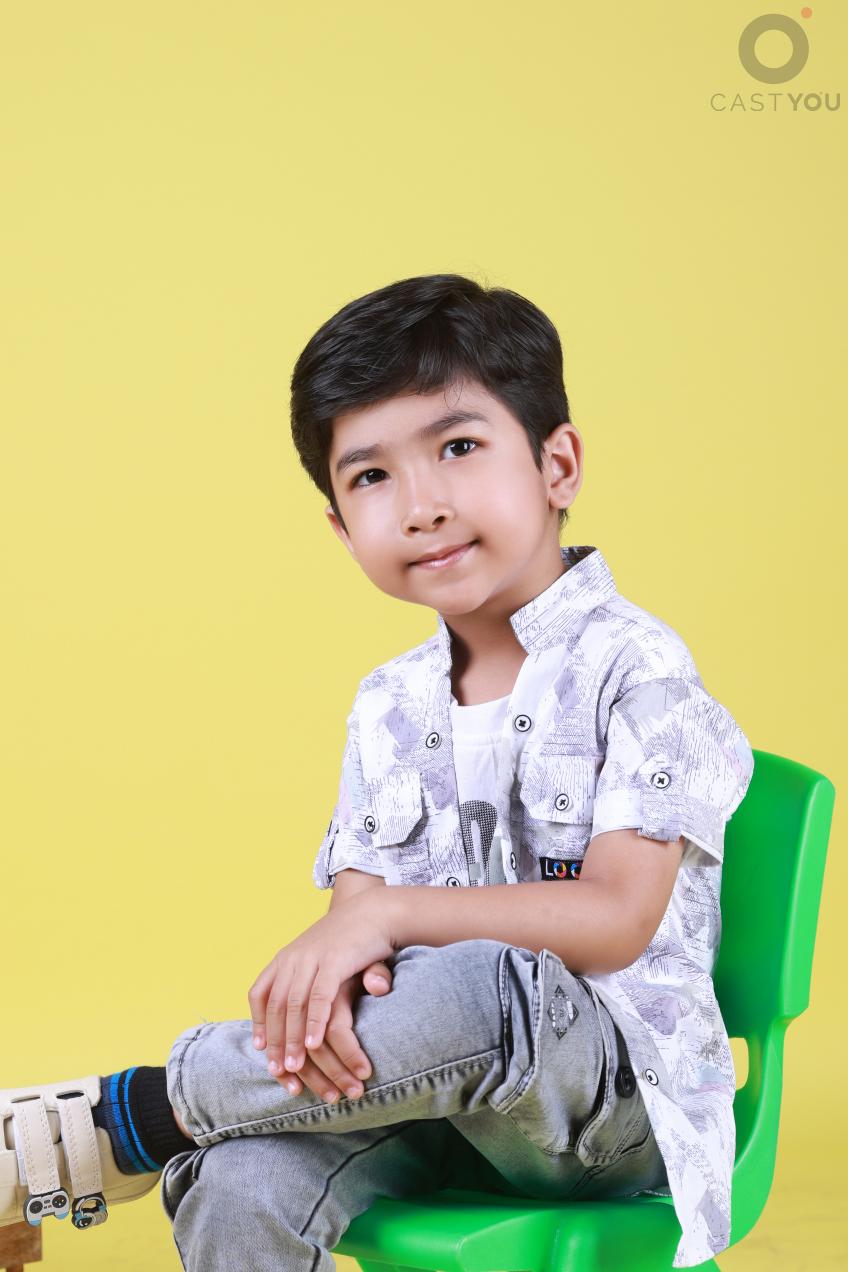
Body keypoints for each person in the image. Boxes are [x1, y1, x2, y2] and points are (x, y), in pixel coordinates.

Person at [0, 274, 755, 1270]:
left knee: (487, 983)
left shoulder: (636, 666)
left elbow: (616, 916)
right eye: (370, 477)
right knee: (239, 1174)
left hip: (607, 1108)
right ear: (339, 526)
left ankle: (122, 1120)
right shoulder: (387, 704)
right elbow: (358, 948)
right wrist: (353, 951)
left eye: (457, 448)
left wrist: (390, 916)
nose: (422, 506)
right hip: (425, 1106)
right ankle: (106, 1141)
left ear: (556, 464)